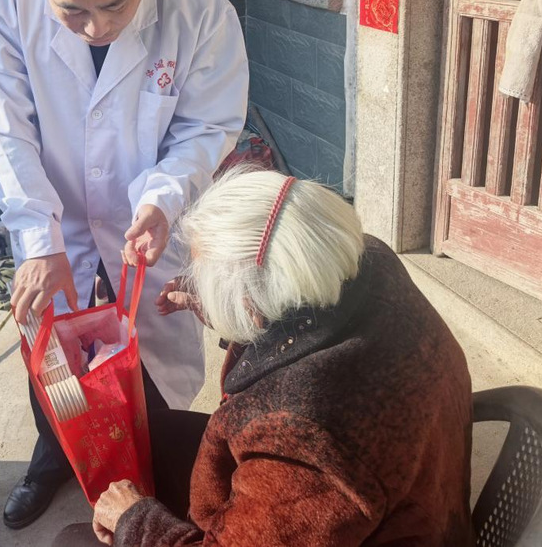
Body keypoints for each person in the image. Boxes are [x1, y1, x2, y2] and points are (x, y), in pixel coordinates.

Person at [0, 0, 250, 528]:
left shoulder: (199, 8)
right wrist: (38, 237)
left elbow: (207, 126)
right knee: (57, 362)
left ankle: (148, 478)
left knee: (150, 369)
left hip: (146, 219)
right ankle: (55, 456)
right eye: (71, 12)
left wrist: (162, 198)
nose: (95, 28)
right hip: (54, 214)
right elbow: (5, 127)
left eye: (116, 5)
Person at [55, 169, 475, 546]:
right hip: (393, 490)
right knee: (154, 431)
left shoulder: (299, 443)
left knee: (70, 540)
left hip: (341, 496)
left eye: (222, 289)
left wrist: (135, 520)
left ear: (252, 300)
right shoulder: (371, 262)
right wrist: (226, 307)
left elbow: (303, 452)